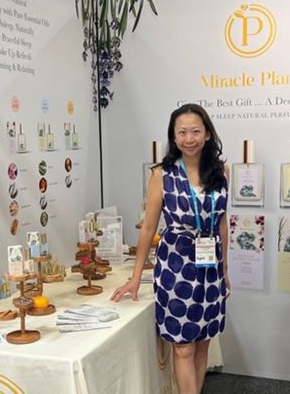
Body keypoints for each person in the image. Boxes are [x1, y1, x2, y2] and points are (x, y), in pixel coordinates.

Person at [111, 103, 230, 394]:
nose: (189, 138)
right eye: (182, 132)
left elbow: (222, 222)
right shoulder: (162, 174)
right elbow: (149, 227)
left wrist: (225, 269)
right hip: (175, 268)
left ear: (207, 134)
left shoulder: (221, 171)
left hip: (210, 267)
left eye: (195, 131)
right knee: (183, 347)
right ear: (174, 137)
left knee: (203, 344)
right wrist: (136, 276)